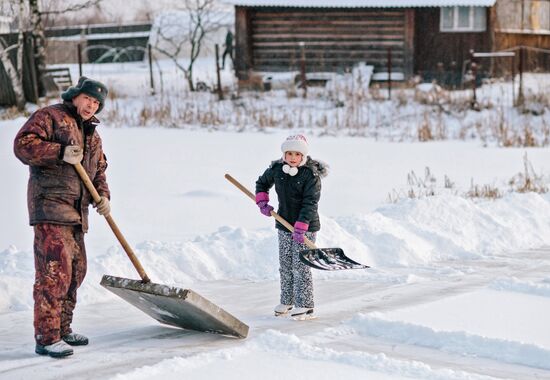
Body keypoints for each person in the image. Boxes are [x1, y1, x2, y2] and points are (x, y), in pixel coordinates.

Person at [13, 76, 111, 358]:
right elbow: (23, 144)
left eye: (96, 102)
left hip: (77, 213)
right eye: (88, 98)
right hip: (51, 206)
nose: (91, 105)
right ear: (75, 96)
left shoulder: (93, 135)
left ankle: (63, 330)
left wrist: (102, 197)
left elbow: (99, 171)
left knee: (75, 273)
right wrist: (60, 152)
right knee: (54, 274)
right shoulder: (51, 117)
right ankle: (47, 337)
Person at [255, 134, 328, 319]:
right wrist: (263, 201)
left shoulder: (310, 175)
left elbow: (311, 203)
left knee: (301, 265)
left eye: (297, 154)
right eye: (289, 153)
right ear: (284, 154)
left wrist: (302, 225)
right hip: (283, 223)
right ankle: (287, 300)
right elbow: (262, 183)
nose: (292, 157)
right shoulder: (277, 169)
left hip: (306, 226)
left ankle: (305, 305)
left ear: (303, 155)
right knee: (285, 264)